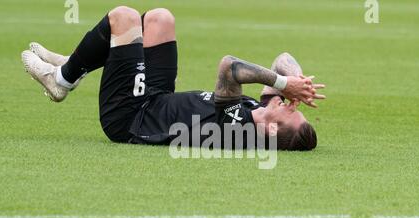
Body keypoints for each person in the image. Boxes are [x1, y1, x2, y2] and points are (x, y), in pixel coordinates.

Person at [21, 6, 325, 151]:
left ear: (271, 129)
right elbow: (283, 58)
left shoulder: (239, 128)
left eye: (290, 115)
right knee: (160, 19)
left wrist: (287, 85)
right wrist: (297, 80)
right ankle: (77, 64)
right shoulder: (263, 112)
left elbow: (229, 66)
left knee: (124, 17)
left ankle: (61, 80)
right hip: (157, 96)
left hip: (130, 115)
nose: (291, 107)